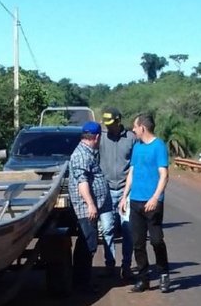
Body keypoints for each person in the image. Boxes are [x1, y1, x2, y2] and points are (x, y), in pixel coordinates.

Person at [119, 113, 171, 293]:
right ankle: (143, 278)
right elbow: (131, 172)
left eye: (135, 127)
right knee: (138, 243)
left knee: (156, 240)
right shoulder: (137, 147)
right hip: (135, 201)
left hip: (153, 203)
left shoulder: (159, 146)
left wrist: (155, 197)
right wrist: (124, 196)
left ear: (143, 127)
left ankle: (164, 273)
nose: (133, 130)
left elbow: (164, 175)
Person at [68, 121, 113, 291]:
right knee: (88, 244)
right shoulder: (81, 155)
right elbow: (82, 183)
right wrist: (91, 205)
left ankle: (83, 281)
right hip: (86, 209)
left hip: (91, 207)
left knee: (88, 243)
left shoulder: (88, 152)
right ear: (97, 137)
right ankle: (81, 284)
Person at [98, 107, 136, 281]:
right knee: (107, 229)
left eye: (112, 123)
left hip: (125, 191)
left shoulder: (131, 139)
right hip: (105, 190)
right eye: (107, 124)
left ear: (119, 121)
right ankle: (110, 264)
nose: (109, 127)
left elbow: (135, 166)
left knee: (128, 230)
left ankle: (126, 266)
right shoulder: (102, 138)